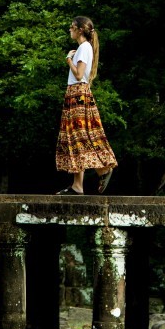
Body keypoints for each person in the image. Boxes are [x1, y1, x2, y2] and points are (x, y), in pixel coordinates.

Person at [55, 16, 117, 195]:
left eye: (71, 27)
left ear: (80, 29)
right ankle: (77, 185)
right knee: (77, 138)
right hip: (77, 94)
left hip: (78, 94)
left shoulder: (83, 48)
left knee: (80, 137)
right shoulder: (85, 48)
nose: (69, 30)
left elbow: (79, 74)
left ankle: (103, 170)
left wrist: (68, 59)